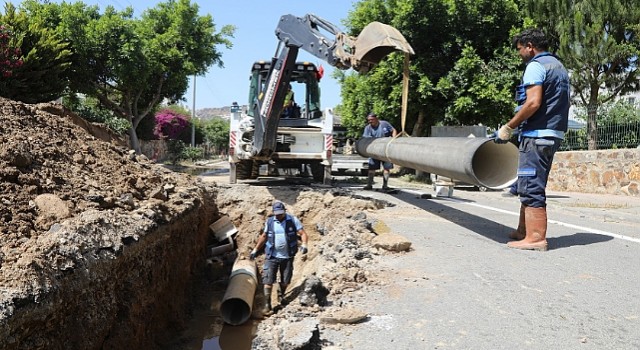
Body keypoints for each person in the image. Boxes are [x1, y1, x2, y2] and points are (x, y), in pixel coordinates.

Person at [493, 28, 570, 251]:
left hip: (537, 136)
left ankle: (535, 238)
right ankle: (523, 230)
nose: (519, 54)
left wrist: (508, 127)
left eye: (520, 49)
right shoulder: (559, 66)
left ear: (530, 46)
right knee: (528, 183)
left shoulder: (536, 66)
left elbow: (533, 102)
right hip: (552, 134)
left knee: (531, 185)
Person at [250, 201, 308, 314]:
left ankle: (281, 294)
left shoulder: (292, 220)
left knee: (285, 280)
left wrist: (304, 244)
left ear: (284, 211)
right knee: (268, 280)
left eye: (281, 213)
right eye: (277, 213)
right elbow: (264, 236)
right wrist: (256, 249)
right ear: (274, 212)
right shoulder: (270, 222)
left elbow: (303, 233)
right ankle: (267, 305)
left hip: (287, 256)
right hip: (272, 255)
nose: (279, 215)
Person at [362, 113, 397, 190]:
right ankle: (369, 185)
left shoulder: (384, 124)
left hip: (385, 151)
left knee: (386, 168)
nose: (370, 122)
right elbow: (365, 138)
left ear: (376, 118)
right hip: (374, 151)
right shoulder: (368, 128)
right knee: (371, 168)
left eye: (372, 120)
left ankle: (385, 185)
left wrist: (394, 139)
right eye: (369, 120)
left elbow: (393, 130)